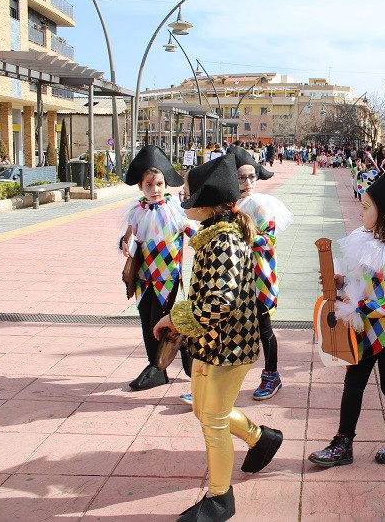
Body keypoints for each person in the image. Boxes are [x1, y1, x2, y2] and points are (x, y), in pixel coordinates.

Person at [153, 154, 283, 522]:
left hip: (231, 344)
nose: (182, 200)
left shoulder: (223, 240)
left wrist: (175, 319)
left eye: (188, 194)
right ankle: (262, 438)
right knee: (204, 410)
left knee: (212, 418)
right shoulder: (215, 235)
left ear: (206, 200)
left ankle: (219, 499)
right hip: (214, 342)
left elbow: (219, 302)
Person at [308, 166, 385, 467]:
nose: (361, 211)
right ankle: (343, 443)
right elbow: (360, 282)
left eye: (367, 207)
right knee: (353, 383)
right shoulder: (365, 241)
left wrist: (361, 308)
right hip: (365, 329)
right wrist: (341, 283)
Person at [121, 145, 196, 391]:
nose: (155, 190)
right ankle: (155, 366)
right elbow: (130, 236)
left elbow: (190, 229)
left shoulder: (173, 208)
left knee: (158, 323)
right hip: (143, 278)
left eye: (160, 184)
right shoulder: (137, 210)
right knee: (145, 322)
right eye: (149, 185)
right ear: (140, 187)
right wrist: (124, 242)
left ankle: (161, 364)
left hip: (167, 278)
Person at [228, 146, 293, 400]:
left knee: (264, 328)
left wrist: (239, 237)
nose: (247, 183)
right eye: (241, 177)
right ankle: (220, 381)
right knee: (230, 328)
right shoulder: (229, 205)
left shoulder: (261, 205)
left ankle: (272, 376)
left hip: (259, 276)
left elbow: (269, 240)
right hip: (233, 277)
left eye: (252, 176)